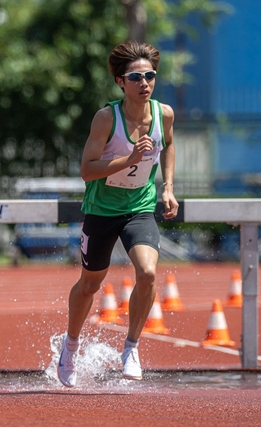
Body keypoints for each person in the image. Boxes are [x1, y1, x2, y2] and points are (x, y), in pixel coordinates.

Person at [57, 40, 178, 387]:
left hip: (139, 208)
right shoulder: (106, 118)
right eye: (136, 77)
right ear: (120, 82)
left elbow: (169, 144)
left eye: (150, 76)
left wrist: (168, 187)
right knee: (90, 284)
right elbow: (87, 170)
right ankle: (71, 345)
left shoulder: (164, 114)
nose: (145, 83)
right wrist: (130, 159)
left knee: (148, 273)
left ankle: (132, 347)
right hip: (101, 210)